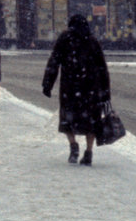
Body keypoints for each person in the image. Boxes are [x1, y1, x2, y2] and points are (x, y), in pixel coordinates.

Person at [41, 14, 110, 166]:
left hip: (70, 87)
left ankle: (73, 145)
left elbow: (54, 61)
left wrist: (48, 83)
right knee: (91, 122)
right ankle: (89, 152)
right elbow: (102, 69)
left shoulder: (65, 39)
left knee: (68, 119)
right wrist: (105, 93)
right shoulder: (92, 41)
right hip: (91, 88)